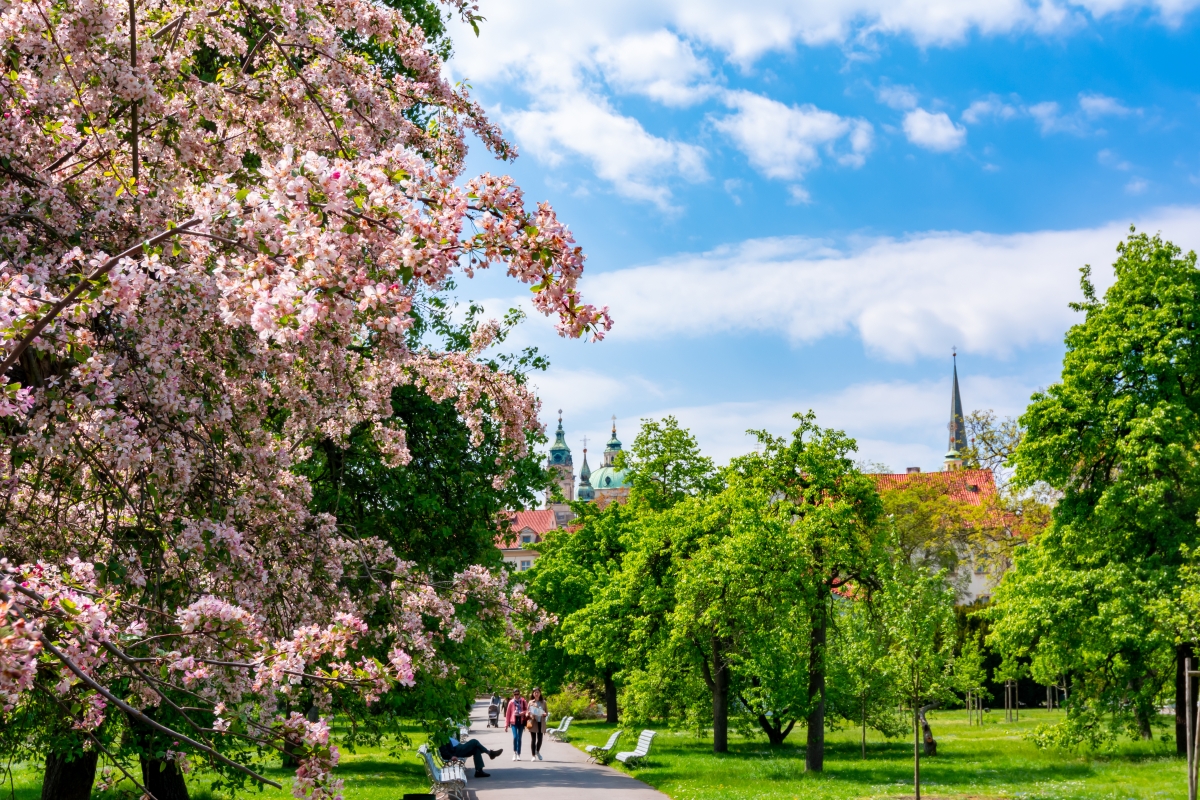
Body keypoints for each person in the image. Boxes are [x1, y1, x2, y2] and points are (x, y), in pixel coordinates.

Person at [505, 688, 528, 761]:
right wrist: (506, 725)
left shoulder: (523, 701)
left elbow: (527, 710)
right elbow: (508, 713)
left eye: (517, 694)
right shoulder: (511, 702)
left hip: (521, 721)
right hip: (513, 721)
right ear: (513, 694)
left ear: (519, 694)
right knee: (515, 737)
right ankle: (514, 752)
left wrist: (523, 713)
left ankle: (518, 754)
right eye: (515, 694)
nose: (516, 696)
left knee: (519, 738)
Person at [527, 687, 549, 761]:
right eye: (535, 692)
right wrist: (530, 714)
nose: (536, 694)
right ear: (533, 694)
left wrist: (545, 714)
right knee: (533, 739)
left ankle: (537, 751)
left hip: (541, 722)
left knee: (540, 739)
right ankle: (533, 755)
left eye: (538, 692)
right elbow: (527, 712)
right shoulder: (530, 702)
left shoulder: (544, 702)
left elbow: (546, 712)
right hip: (533, 722)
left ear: (540, 693)